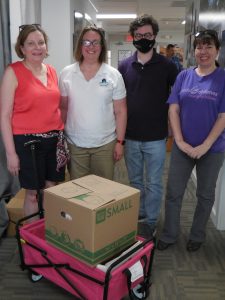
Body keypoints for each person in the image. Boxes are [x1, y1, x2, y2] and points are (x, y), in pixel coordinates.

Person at [157, 29, 225, 252]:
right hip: (182, 146)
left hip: (213, 149)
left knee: (205, 195)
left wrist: (205, 145)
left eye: (209, 47)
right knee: (174, 192)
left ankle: (197, 235)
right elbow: (173, 109)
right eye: (199, 47)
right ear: (194, 50)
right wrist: (179, 140)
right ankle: (169, 234)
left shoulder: (223, 78)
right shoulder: (184, 76)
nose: (203, 51)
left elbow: (223, 117)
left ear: (217, 50)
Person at [118, 14, 178, 239]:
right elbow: (119, 101)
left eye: (148, 35)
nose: (144, 38)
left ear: (155, 36)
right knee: (134, 182)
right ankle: (139, 215)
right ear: (133, 37)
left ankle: (151, 221)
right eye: (139, 35)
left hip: (156, 137)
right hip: (131, 136)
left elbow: (178, 97)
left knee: (153, 182)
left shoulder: (167, 65)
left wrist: (173, 125)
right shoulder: (124, 66)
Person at [0, 24, 67, 222]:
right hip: (27, 142)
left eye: (41, 42)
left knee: (51, 190)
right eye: (31, 43)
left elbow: (57, 107)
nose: (37, 47)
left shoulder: (53, 71)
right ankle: (31, 242)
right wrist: (11, 154)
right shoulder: (13, 72)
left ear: (46, 46)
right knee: (32, 194)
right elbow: (4, 115)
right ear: (22, 48)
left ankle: (49, 235)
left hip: (55, 140)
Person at [59, 26, 127, 180]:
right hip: (75, 144)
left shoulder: (113, 75)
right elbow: (63, 108)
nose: (91, 47)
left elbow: (121, 111)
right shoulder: (66, 74)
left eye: (96, 42)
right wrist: (60, 139)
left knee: (103, 192)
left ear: (102, 46)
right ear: (80, 45)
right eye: (87, 42)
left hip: (105, 144)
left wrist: (120, 142)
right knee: (78, 192)